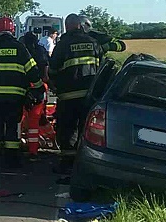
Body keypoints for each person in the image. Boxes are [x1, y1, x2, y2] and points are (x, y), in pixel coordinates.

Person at [49, 13, 126, 172]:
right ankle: (85, 162)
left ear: (67, 26)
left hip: (68, 95)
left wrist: (55, 85)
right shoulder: (94, 43)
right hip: (90, 95)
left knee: (68, 128)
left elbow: (53, 70)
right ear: (81, 25)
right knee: (87, 128)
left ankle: (67, 164)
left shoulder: (62, 45)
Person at [0, 16, 42, 168]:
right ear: (13, 31)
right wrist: (39, 87)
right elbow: (32, 71)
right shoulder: (21, 49)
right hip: (16, 97)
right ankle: (11, 158)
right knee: (12, 127)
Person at [21, 31, 49, 160]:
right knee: (34, 121)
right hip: (39, 88)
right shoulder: (41, 51)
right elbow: (45, 71)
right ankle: (33, 150)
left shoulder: (21, 51)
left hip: (22, 88)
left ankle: (17, 145)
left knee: (19, 119)